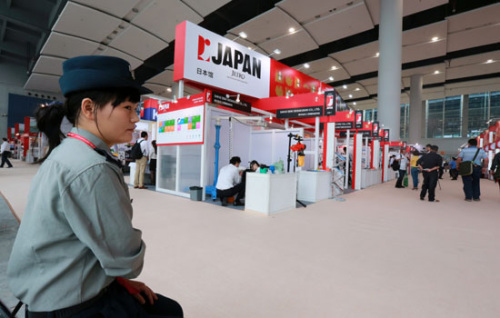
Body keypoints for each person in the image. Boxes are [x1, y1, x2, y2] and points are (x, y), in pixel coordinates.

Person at [7, 56, 183, 317]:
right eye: (127, 108)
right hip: (71, 304)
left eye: (136, 108)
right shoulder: (92, 168)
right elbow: (126, 259)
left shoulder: (69, 151)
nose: (135, 118)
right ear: (89, 109)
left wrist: (120, 281)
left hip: (51, 292)